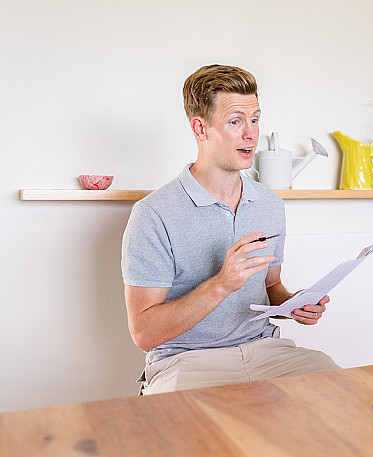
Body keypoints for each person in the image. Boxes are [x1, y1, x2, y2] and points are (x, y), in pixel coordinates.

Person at [121, 64, 340, 395]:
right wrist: (221, 285)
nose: (250, 133)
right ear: (200, 128)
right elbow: (144, 334)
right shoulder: (153, 214)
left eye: (255, 119)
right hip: (186, 362)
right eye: (235, 121)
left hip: (266, 352)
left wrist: (292, 304)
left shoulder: (269, 204)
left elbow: (271, 284)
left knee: (344, 394)